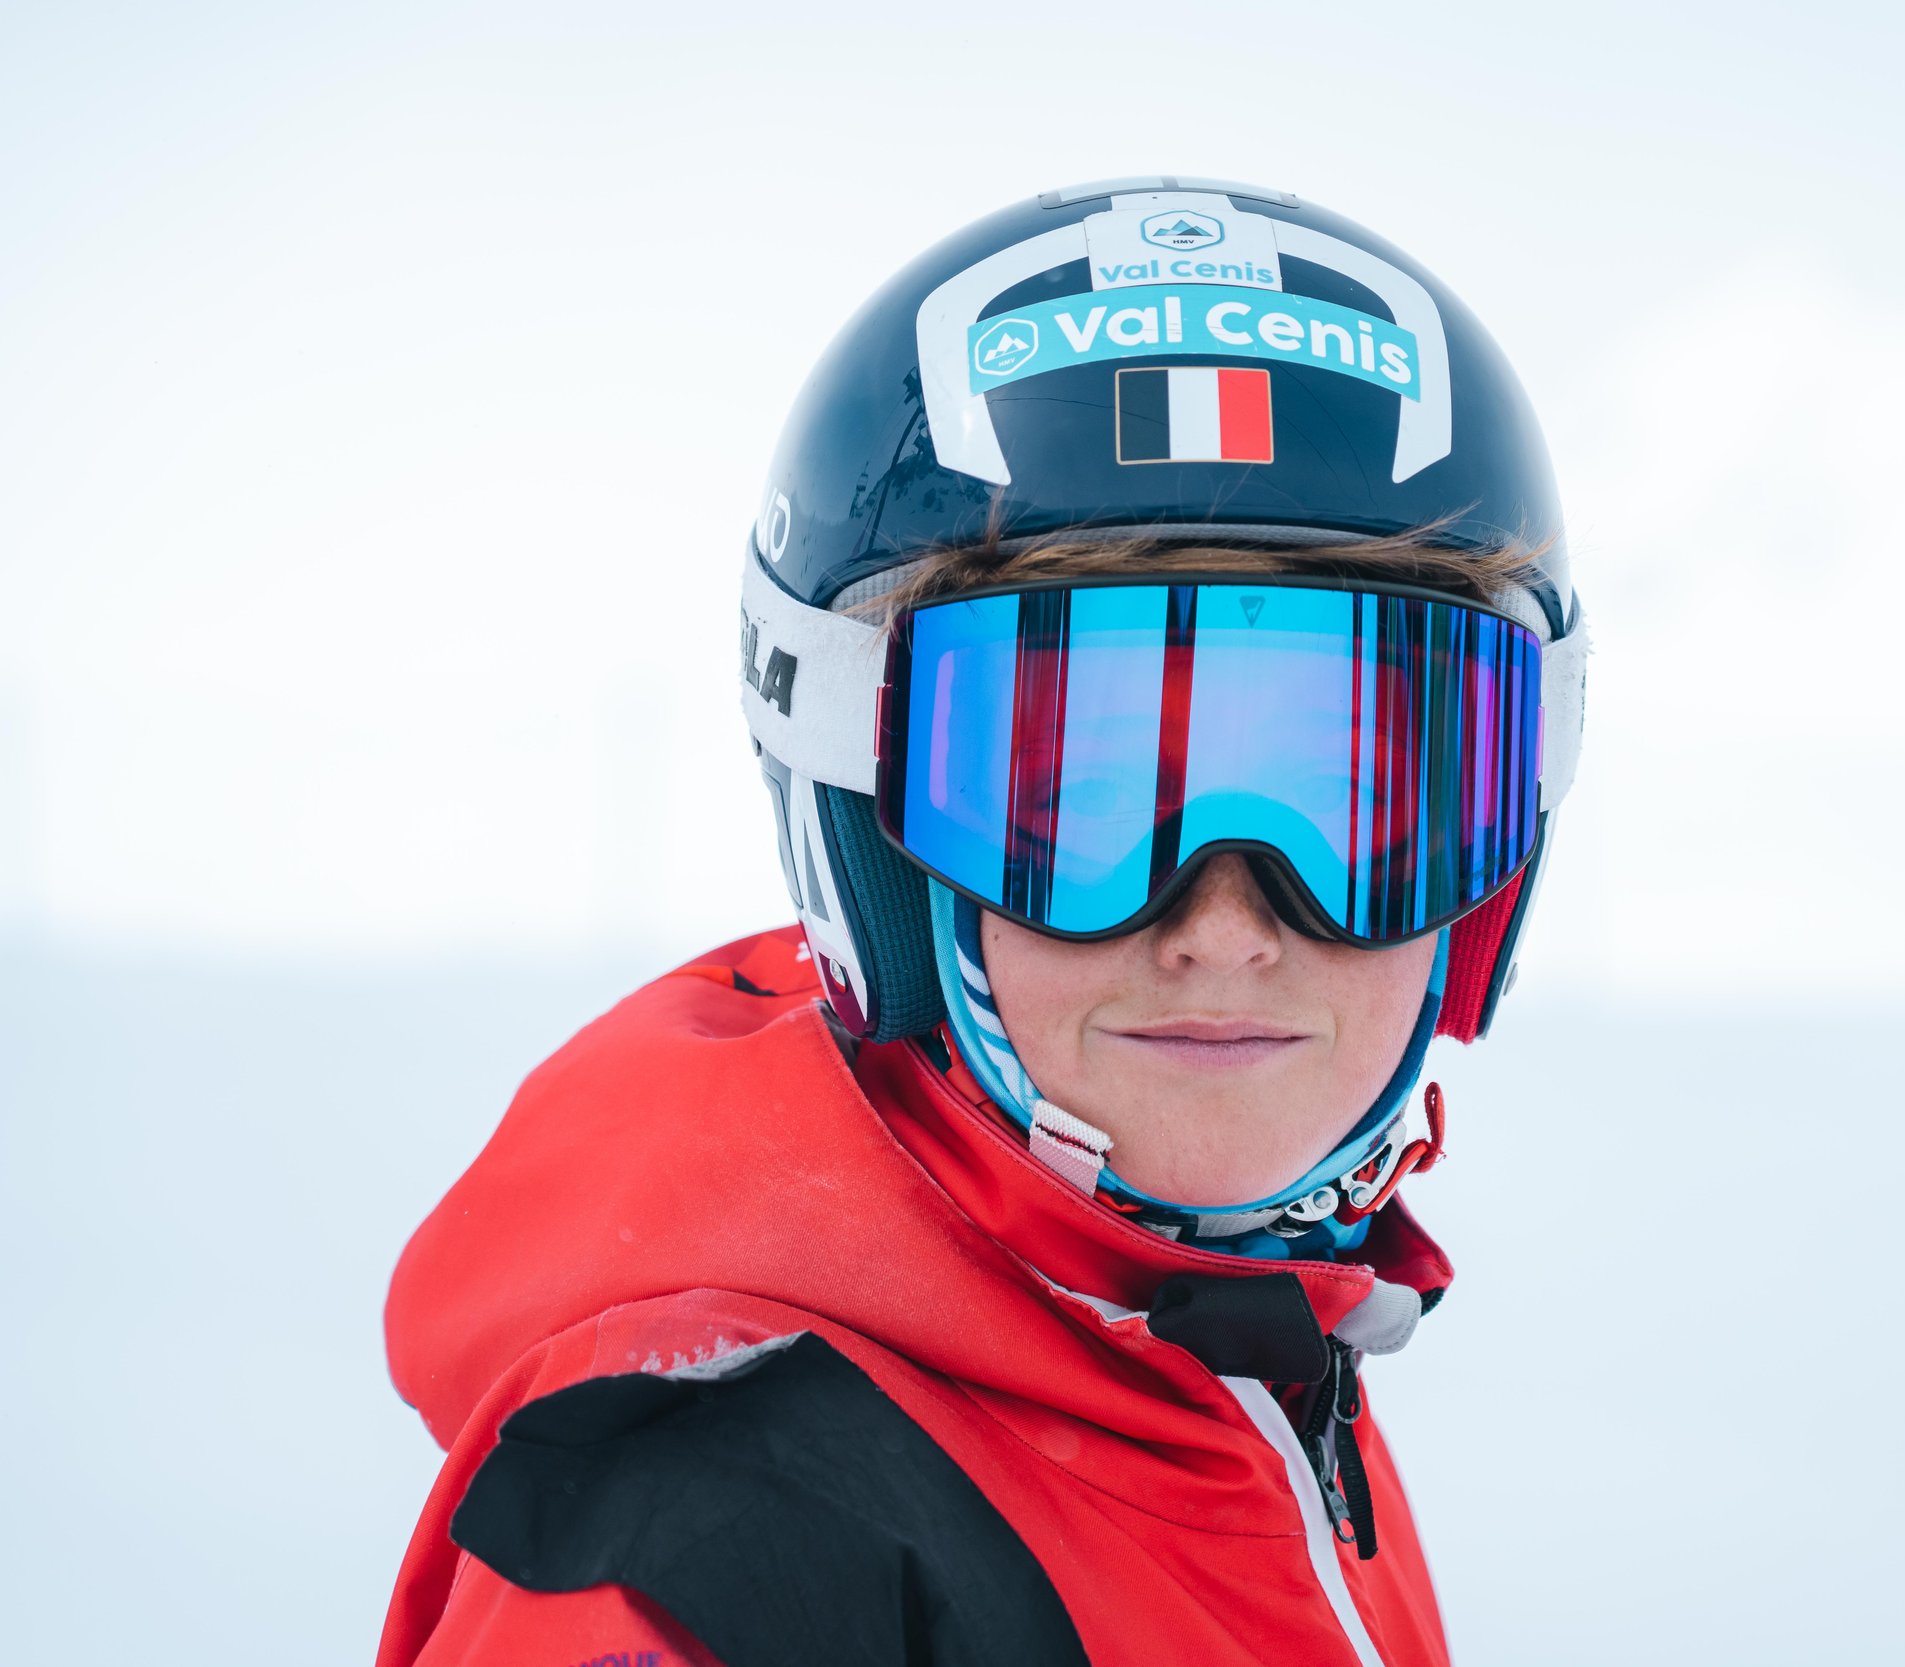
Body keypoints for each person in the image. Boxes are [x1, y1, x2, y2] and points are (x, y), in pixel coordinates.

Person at [376, 177, 1590, 1667]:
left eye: (1356, 802)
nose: (1226, 925)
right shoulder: (716, 1542)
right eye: (1084, 798)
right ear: (870, 847)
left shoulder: (1240, 1361)